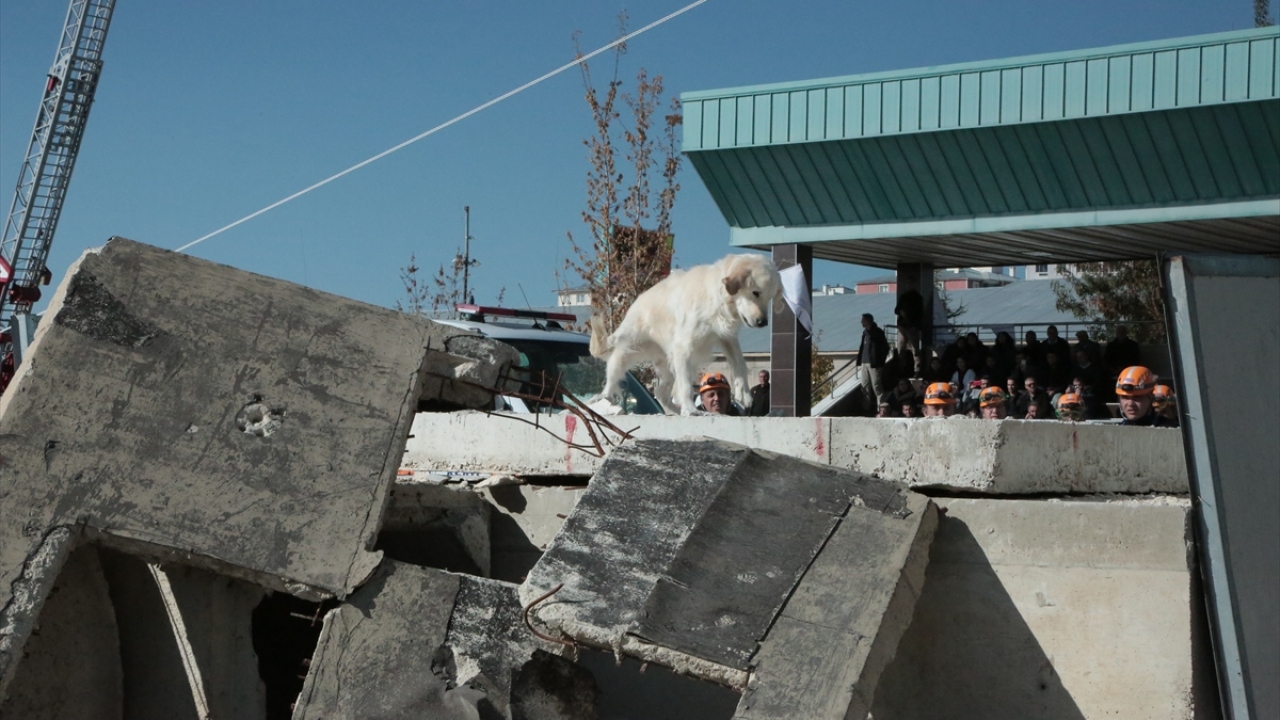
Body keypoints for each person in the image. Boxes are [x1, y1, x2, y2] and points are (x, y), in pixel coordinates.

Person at [858, 313, 890, 406]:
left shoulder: (878, 332)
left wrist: (881, 363)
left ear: (868, 321)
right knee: (864, 386)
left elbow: (885, 348)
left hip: (874, 363)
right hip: (864, 362)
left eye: (863, 320)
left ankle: (881, 407)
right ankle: (866, 407)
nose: (861, 322)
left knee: (876, 385)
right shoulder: (865, 333)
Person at [894, 281, 925, 375]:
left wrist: (914, 324)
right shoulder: (903, 297)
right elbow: (896, 310)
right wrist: (901, 312)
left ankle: (917, 369)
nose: (909, 285)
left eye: (910, 284)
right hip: (903, 326)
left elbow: (920, 313)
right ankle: (901, 369)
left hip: (913, 326)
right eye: (907, 284)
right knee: (901, 348)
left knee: (915, 349)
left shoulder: (918, 298)